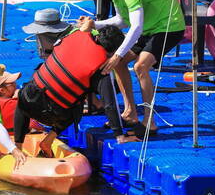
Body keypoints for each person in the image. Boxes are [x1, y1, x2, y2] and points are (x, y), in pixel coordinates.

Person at [80, 0, 186, 135]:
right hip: (150, 28)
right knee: (119, 63)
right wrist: (94, 25)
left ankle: (149, 121)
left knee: (140, 66)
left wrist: (117, 54)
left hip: (170, 27)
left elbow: (135, 27)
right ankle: (130, 113)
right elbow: (122, 21)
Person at [13, 18, 131, 156]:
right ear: (112, 52)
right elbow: (110, 104)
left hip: (30, 101)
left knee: (23, 98)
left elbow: (84, 30)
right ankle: (48, 140)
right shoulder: (102, 69)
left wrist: (89, 25)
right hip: (54, 114)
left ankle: (17, 148)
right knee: (77, 107)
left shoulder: (73, 35)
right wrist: (120, 136)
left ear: (97, 36)